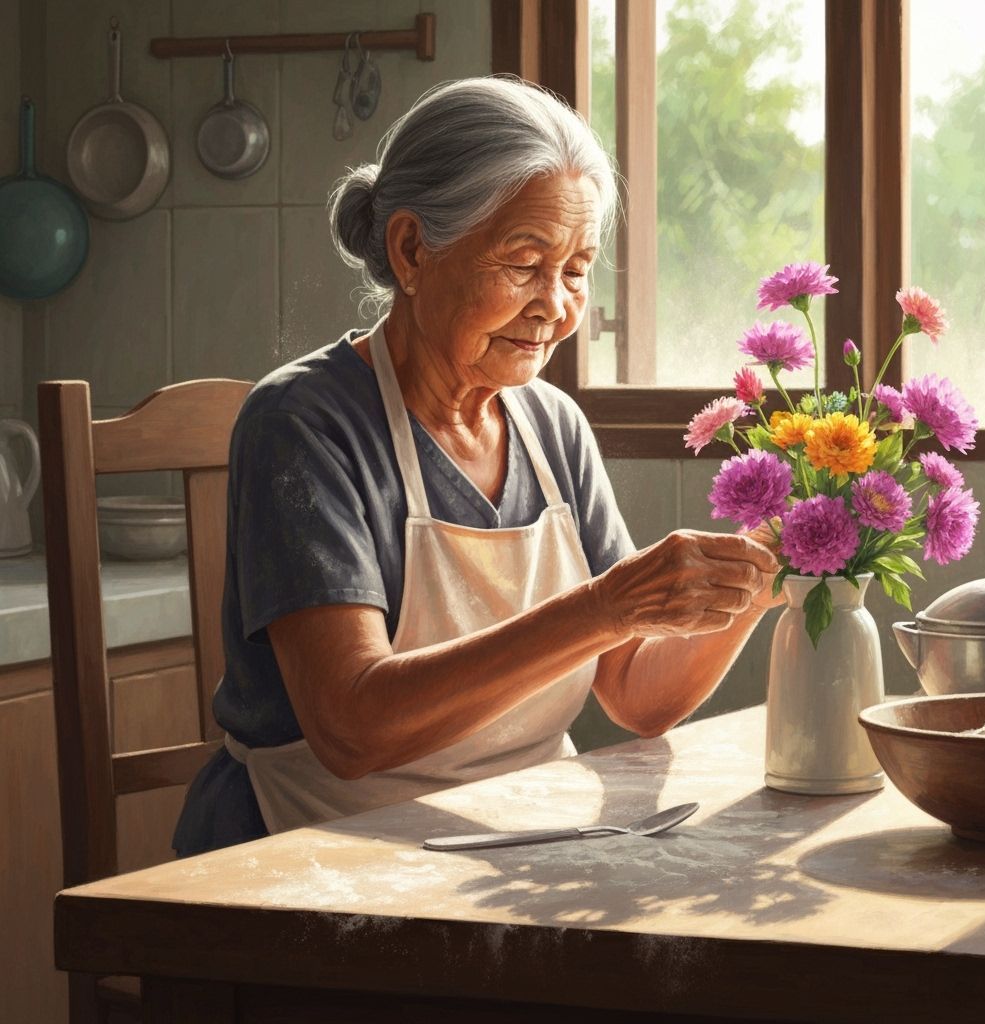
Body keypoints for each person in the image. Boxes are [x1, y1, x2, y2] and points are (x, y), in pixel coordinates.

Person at [173, 76, 779, 856]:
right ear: (412, 249)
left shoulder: (550, 425)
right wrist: (604, 607)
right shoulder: (303, 423)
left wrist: (763, 575)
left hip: (520, 832)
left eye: (577, 268)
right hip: (311, 850)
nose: (556, 307)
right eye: (526, 264)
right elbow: (353, 728)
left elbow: (634, 689)